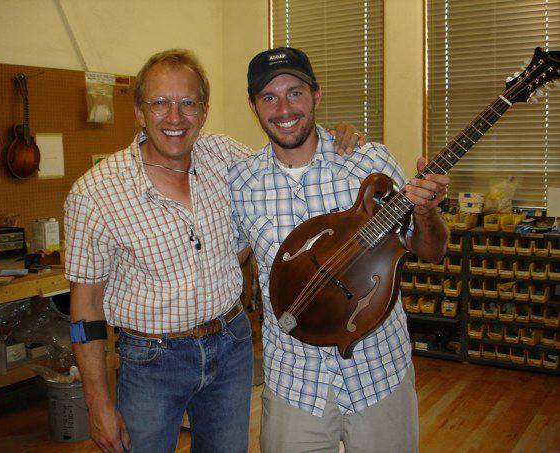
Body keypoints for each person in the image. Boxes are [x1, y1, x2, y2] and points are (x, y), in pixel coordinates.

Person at [64, 48, 363, 453]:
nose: (175, 117)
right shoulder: (95, 193)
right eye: (160, 103)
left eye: (188, 103)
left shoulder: (225, 158)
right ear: (138, 111)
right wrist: (98, 405)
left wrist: (335, 137)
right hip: (151, 361)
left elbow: (288, 160)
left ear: (204, 112)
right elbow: (85, 309)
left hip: (231, 348)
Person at [229, 47, 450, 452]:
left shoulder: (369, 162)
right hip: (295, 383)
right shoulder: (240, 184)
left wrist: (428, 213)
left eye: (295, 92)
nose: (283, 108)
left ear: (316, 94)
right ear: (253, 106)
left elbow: (430, 250)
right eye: (269, 97)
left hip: (379, 372)